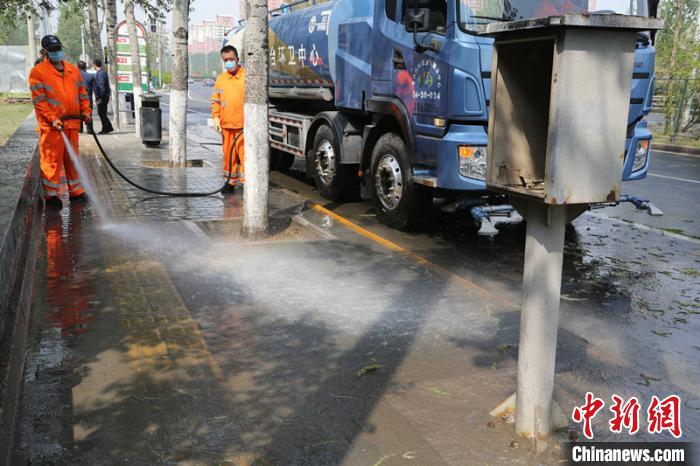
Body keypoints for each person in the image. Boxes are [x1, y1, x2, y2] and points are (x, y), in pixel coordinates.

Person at [28, 35, 91, 208]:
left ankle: (76, 192)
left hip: (72, 124)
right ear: (45, 52)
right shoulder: (38, 72)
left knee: (72, 159)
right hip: (52, 127)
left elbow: (83, 95)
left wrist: (86, 112)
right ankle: (51, 195)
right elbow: (40, 102)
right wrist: (53, 119)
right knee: (52, 160)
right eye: (53, 50)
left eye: (58, 49)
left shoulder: (73, 70)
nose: (57, 53)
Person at [211, 45, 245, 193]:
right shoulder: (220, 80)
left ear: (237, 59)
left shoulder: (246, 76)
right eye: (226, 60)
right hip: (226, 125)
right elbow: (216, 101)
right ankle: (230, 182)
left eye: (231, 59)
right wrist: (215, 117)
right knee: (228, 156)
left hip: (243, 126)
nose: (229, 62)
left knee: (245, 156)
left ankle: (247, 183)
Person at [92, 58, 114, 134]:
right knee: (102, 112)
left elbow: (101, 87)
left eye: (93, 65)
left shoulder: (100, 73)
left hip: (103, 97)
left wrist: (99, 98)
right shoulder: (102, 72)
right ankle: (107, 126)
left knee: (101, 112)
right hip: (104, 96)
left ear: (95, 65)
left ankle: (106, 128)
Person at [77, 60, 94, 133]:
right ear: (85, 67)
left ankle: (80, 129)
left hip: (77, 99)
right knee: (88, 114)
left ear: (77, 67)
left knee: (78, 114)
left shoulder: (74, 76)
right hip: (88, 98)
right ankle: (90, 130)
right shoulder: (90, 76)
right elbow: (94, 87)